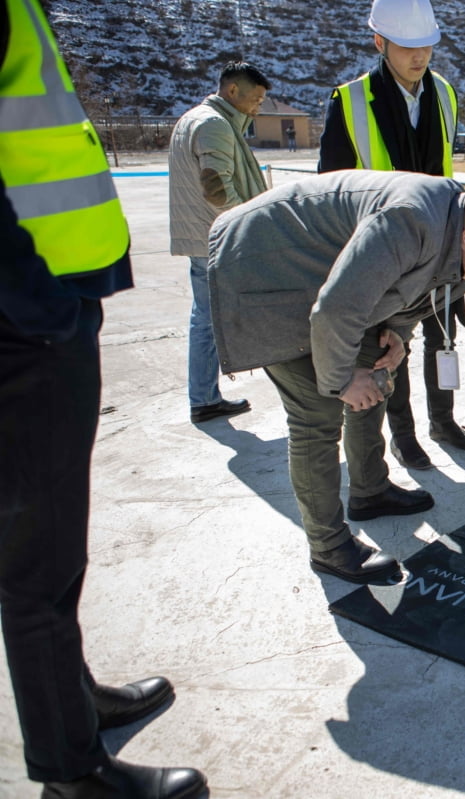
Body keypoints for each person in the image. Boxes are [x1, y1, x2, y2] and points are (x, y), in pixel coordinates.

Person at [0, 2, 206, 796]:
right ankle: (71, 770)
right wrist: (30, 301)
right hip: (24, 320)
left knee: (55, 547)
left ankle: (70, 696)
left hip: (46, 308)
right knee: (37, 562)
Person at [208, 172, 465, 584]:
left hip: (333, 284)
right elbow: (335, 310)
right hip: (268, 269)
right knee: (317, 416)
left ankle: (370, 490)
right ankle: (328, 549)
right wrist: (342, 380)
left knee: (377, 366)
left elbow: (412, 290)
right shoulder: (409, 221)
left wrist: (395, 334)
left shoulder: (461, 228)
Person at [318, 0, 465, 472]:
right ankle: (405, 434)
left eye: (426, 46)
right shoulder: (348, 101)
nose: (419, 56)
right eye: (408, 47)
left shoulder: (444, 94)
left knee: (442, 338)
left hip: (442, 243)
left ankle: (443, 420)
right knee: (393, 345)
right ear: (379, 42)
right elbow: (332, 188)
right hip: (385, 251)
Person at [168, 61, 271, 424]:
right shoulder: (214, 124)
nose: (258, 107)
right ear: (232, 92)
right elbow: (216, 188)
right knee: (209, 322)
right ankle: (204, 398)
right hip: (212, 238)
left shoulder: (193, 118)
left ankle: (204, 395)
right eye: (256, 99)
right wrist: (250, 218)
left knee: (206, 319)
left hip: (200, 235)